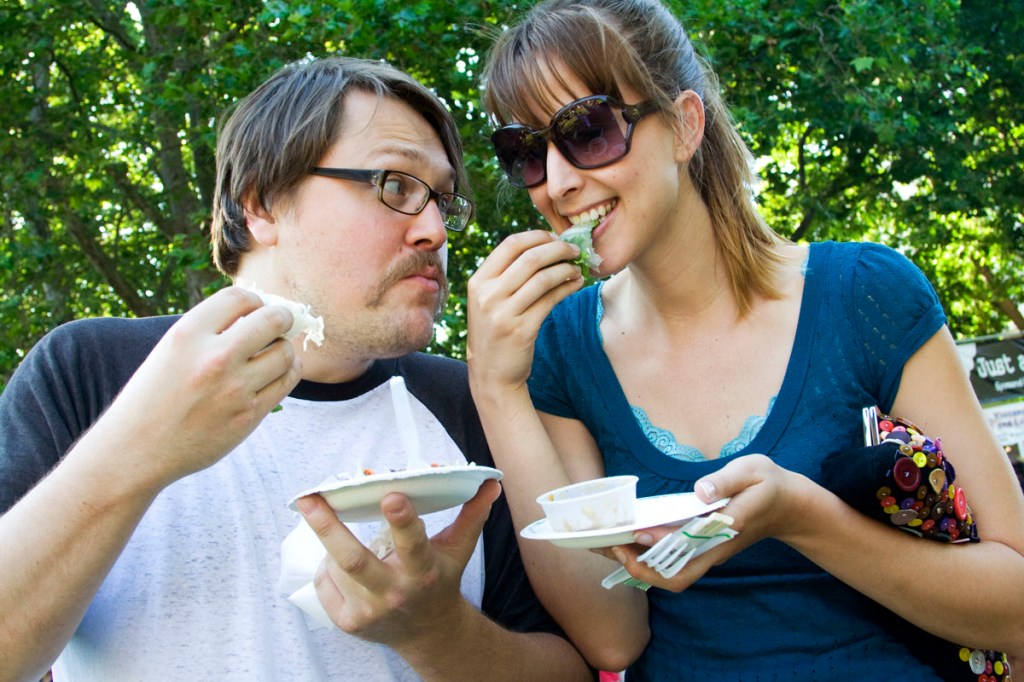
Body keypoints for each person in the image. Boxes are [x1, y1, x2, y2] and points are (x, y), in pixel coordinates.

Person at [466, 0, 1024, 679]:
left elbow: (1016, 603)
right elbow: (612, 637)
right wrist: (495, 387)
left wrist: (799, 516)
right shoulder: (562, 350)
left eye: (587, 130)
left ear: (684, 126)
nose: (556, 183)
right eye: (526, 151)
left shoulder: (865, 295)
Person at [0, 56, 593, 682]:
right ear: (262, 203)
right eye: (395, 185)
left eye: (441, 201)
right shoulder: (92, 370)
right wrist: (133, 453)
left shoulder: (468, 404)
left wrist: (440, 634)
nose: (433, 230)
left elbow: (574, 669)